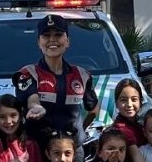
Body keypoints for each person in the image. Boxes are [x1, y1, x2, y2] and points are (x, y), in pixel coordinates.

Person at [13, 13, 100, 154]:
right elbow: (32, 99)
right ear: (38, 42)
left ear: (67, 41)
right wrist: (36, 108)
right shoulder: (27, 74)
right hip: (38, 151)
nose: (52, 40)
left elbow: (93, 107)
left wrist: (79, 131)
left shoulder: (82, 75)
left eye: (58, 35)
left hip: (71, 152)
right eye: (46, 36)